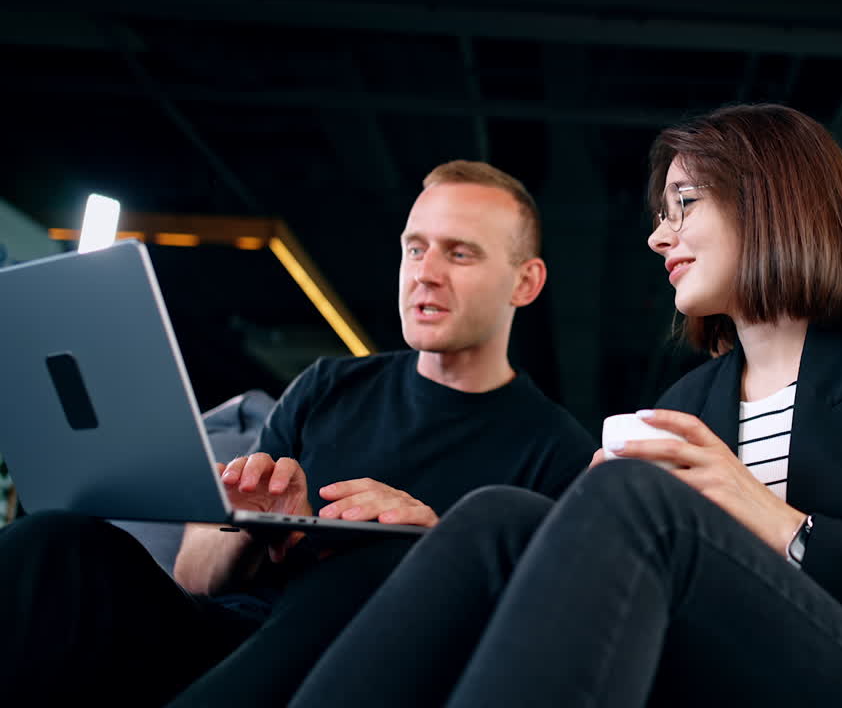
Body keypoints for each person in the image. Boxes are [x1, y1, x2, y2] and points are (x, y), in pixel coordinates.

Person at [288, 104, 842, 708]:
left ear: (772, 201)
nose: (659, 236)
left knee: (629, 500)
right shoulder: (691, 402)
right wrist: (577, 535)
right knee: (494, 519)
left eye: (684, 203)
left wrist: (777, 523)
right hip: (722, 679)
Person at [0, 160, 595, 706]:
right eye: (415, 249)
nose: (426, 274)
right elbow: (192, 579)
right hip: (230, 640)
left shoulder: (556, 450)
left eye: (460, 254)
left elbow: (533, 636)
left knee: (385, 559)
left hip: (360, 669)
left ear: (526, 283)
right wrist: (248, 526)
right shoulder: (328, 385)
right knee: (53, 540)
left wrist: (440, 549)